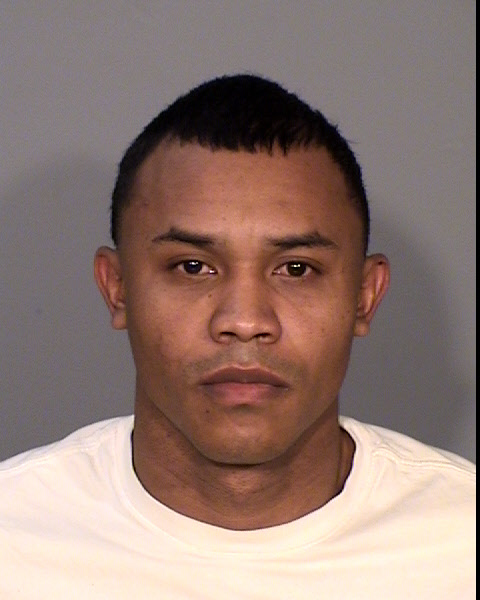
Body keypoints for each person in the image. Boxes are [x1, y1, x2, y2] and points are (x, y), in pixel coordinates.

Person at [0, 74, 474, 599]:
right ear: (117, 289)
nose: (245, 320)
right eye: (192, 267)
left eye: (296, 269)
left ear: (364, 296)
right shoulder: (12, 539)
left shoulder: (462, 540)